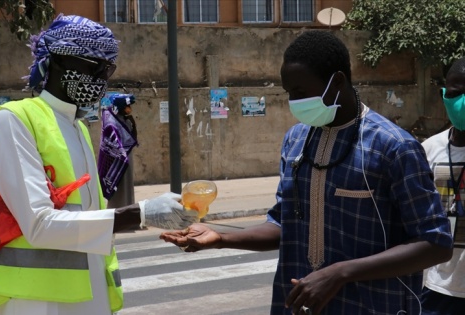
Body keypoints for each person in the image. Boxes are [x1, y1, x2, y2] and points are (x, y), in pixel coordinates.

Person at [160, 31, 454, 315]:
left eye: (300, 92)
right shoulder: (296, 141)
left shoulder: (393, 147)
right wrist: (221, 238)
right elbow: (284, 224)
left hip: (373, 305)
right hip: (299, 305)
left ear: (337, 81)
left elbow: (435, 244)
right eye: (289, 93)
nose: (294, 102)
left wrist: (340, 273)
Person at [0, 14, 196, 315]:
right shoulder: (15, 118)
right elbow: (39, 224)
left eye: (109, 68)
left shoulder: (77, 128)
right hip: (36, 303)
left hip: (89, 297)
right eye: (96, 67)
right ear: (59, 62)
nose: (104, 77)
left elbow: (89, 219)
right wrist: (141, 214)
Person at [420, 57, 465, 314]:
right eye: (457, 93)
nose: (463, 102)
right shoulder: (428, 150)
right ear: (444, 94)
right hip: (438, 289)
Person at [103, 93, 138, 209]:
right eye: (127, 106)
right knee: (119, 184)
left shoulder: (125, 120)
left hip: (127, 156)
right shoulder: (112, 121)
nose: (130, 109)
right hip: (117, 159)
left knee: (127, 184)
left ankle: (128, 208)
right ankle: (117, 210)